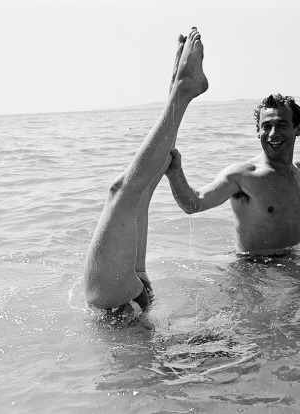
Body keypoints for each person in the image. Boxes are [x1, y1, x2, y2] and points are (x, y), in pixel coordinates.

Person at [84, 28, 208, 312]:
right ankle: (180, 90)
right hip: (126, 304)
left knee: (133, 189)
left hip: (122, 307)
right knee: (130, 189)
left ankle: (181, 89)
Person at [166, 94, 300, 254]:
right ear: (257, 131)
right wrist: (175, 173)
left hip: (292, 259)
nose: (273, 134)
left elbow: (297, 202)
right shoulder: (243, 176)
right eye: (266, 126)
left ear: (298, 128)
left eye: (282, 125)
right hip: (253, 269)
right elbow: (194, 203)